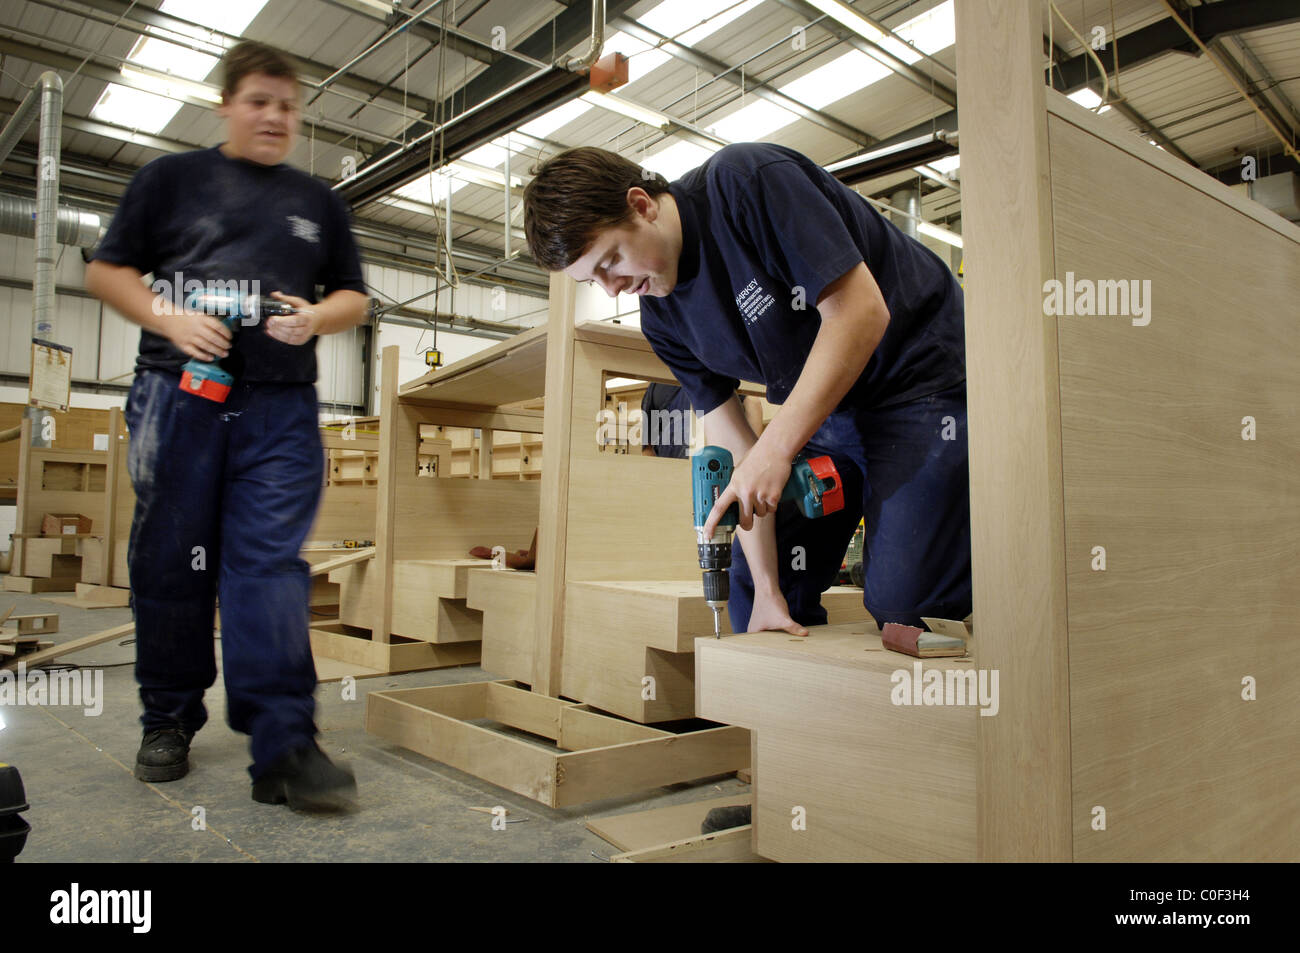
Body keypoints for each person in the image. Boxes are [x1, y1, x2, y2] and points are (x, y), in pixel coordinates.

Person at [523, 143, 971, 641]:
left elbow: (862, 312)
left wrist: (777, 448)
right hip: (831, 415)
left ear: (641, 205)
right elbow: (739, 451)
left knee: (907, 609)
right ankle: (796, 711)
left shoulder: (747, 184)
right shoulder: (663, 320)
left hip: (922, 385)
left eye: (610, 261)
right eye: (594, 280)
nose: (612, 289)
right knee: (753, 587)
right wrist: (767, 589)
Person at [85, 40, 369, 811]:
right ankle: (168, 717)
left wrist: (314, 317)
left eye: (287, 104)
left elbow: (355, 296)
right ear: (227, 104)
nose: (275, 117)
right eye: (259, 102)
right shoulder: (170, 181)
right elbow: (105, 270)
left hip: (279, 409)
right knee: (174, 560)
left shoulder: (317, 202)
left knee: (268, 568)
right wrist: (170, 318)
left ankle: (284, 743)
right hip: (180, 398)